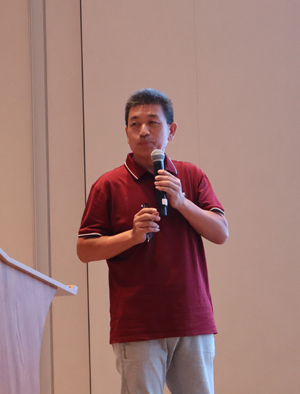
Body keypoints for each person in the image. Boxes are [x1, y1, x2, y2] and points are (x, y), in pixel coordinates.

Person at [76, 88, 228, 394]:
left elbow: (220, 232)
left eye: (153, 122)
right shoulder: (108, 185)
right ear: (126, 133)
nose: (143, 131)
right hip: (137, 323)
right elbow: (85, 249)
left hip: (191, 318)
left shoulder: (190, 176)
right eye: (135, 124)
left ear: (171, 130)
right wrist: (132, 236)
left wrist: (182, 202)